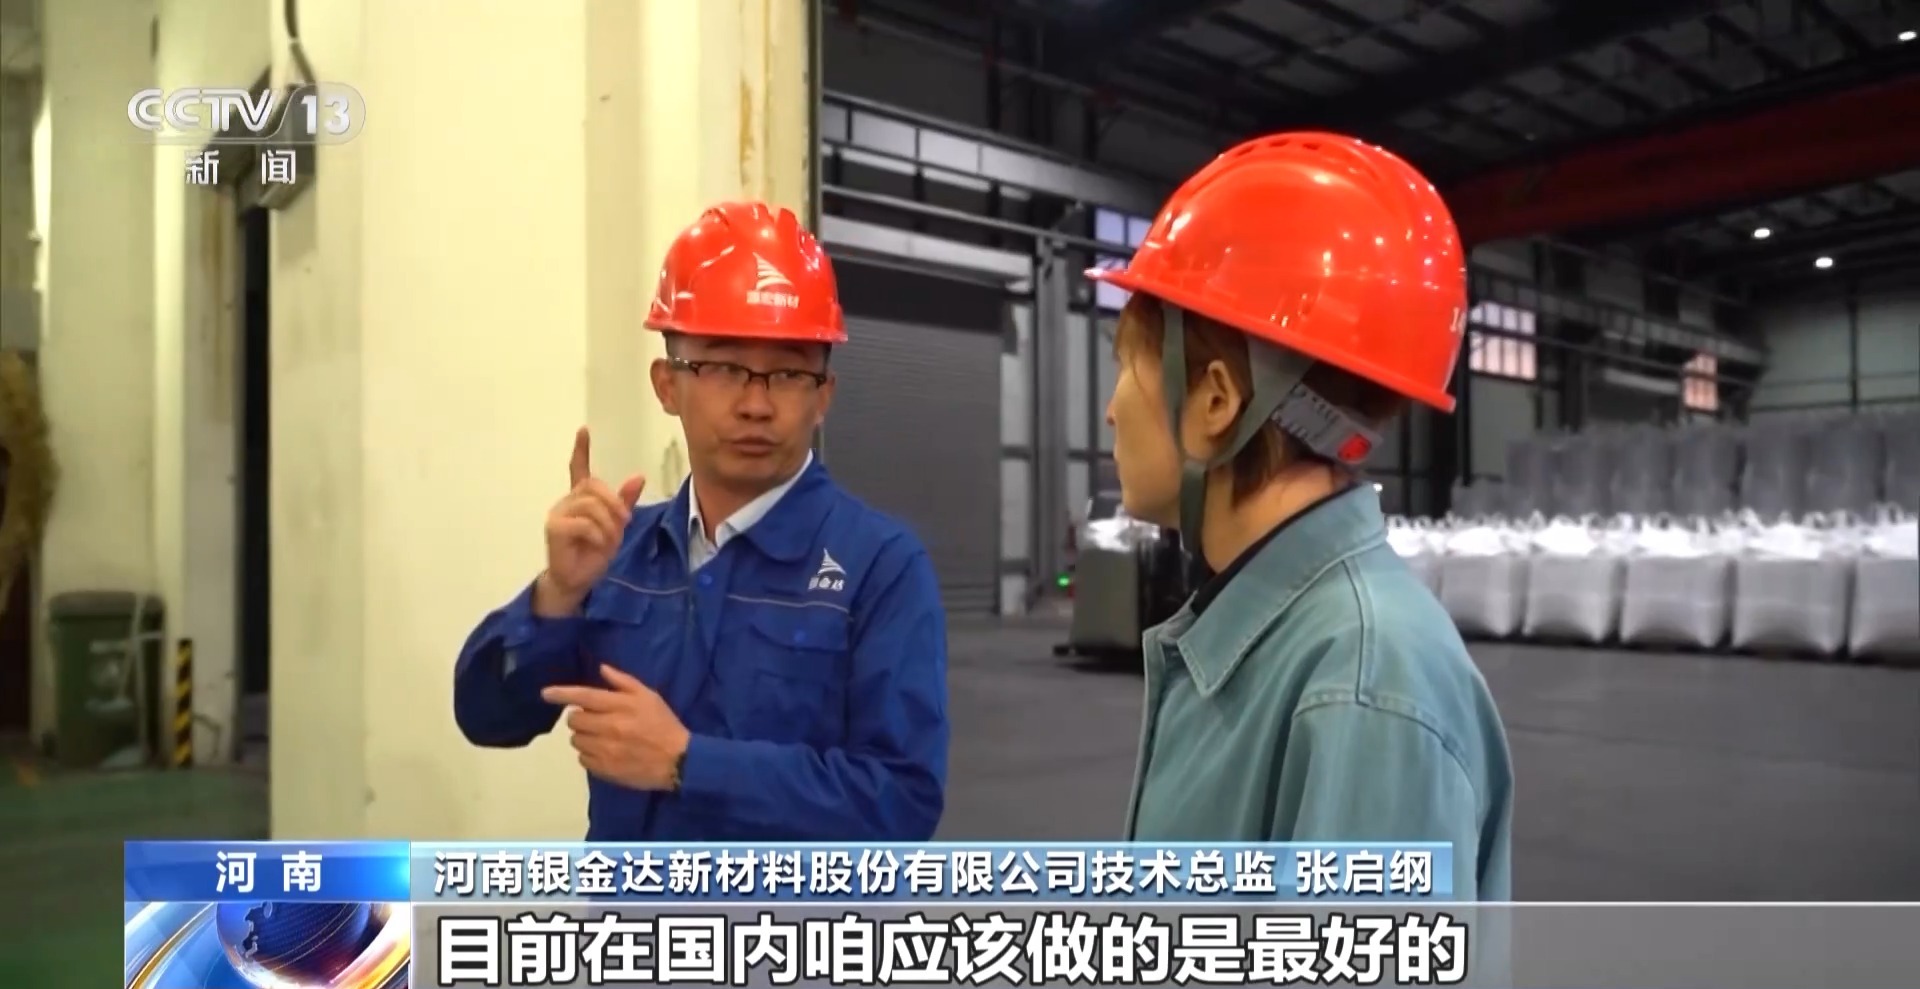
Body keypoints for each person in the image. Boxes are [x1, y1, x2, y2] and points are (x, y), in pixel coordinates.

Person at [1095, 133, 1513, 898]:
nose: (1111, 409)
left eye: (1127, 365)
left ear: (1216, 400)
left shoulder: (1364, 685)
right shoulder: (1282, 637)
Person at [453, 201, 949, 841]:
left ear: (823, 396)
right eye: (723, 367)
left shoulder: (878, 567)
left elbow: (902, 805)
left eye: (788, 373)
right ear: (667, 385)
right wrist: (557, 596)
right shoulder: (619, 555)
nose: (756, 404)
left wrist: (690, 763)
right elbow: (487, 719)